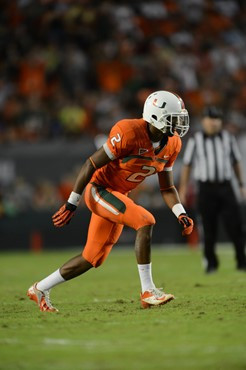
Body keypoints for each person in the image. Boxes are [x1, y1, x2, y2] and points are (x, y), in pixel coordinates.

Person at [27, 90, 194, 312]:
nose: (178, 124)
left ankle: (39, 288)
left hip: (119, 195)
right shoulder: (129, 132)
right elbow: (91, 164)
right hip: (100, 191)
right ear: (156, 116)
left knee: (92, 258)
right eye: (174, 118)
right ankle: (148, 291)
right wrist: (71, 203)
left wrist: (180, 213)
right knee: (146, 220)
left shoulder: (172, 144)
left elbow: (167, 187)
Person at [179, 106, 246, 273]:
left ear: (220, 121)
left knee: (236, 226)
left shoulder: (228, 139)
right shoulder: (196, 140)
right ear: (203, 121)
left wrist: (241, 184)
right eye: (210, 119)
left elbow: (236, 162)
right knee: (208, 229)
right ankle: (211, 264)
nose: (213, 122)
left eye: (216, 119)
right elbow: (187, 166)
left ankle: (241, 261)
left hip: (226, 187)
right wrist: (183, 188)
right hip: (205, 189)